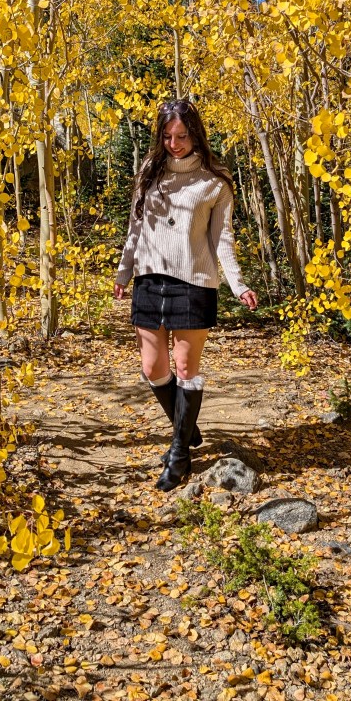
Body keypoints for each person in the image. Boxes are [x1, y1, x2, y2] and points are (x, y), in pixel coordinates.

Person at [113, 99, 258, 491]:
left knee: (185, 367)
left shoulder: (215, 180)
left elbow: (222, 238)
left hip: (194, 280)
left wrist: (237, 283)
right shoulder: (150, 171)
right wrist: (124, 271)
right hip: (148, 277)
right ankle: (187, 426)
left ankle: (179, 452)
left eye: (181, 135)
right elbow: (135, 226)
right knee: (153, 368)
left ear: (195, 133)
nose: (174, 143)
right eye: (167, 136)